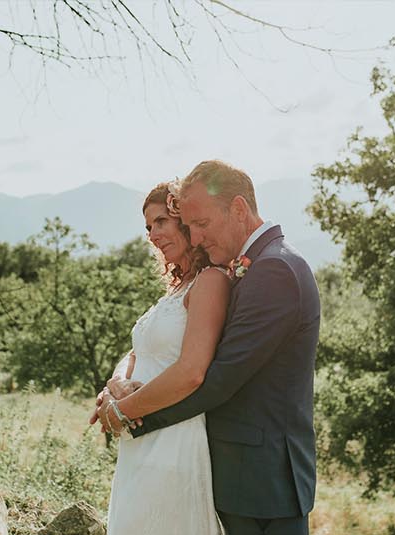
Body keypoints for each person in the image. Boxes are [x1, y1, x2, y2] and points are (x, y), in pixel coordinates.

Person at [96, 161, 322, 535]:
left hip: (265, 479)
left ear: (238, 209)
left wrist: (130, 415)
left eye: (201, 224)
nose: (196, 237)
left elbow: (217, 378)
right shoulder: (254, 264)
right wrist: (119, 388)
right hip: (237, 471)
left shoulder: (275, 269)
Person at [91, 181, 229, 534]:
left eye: (161, 222)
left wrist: (122, 410)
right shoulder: (176, 289)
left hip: (173, 439)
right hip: (140, 440)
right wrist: (116, 384)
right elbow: (138, 351)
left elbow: (192, 372)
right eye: (148, 227)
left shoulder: (210, 282)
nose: (153, 235)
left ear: (186, 220)